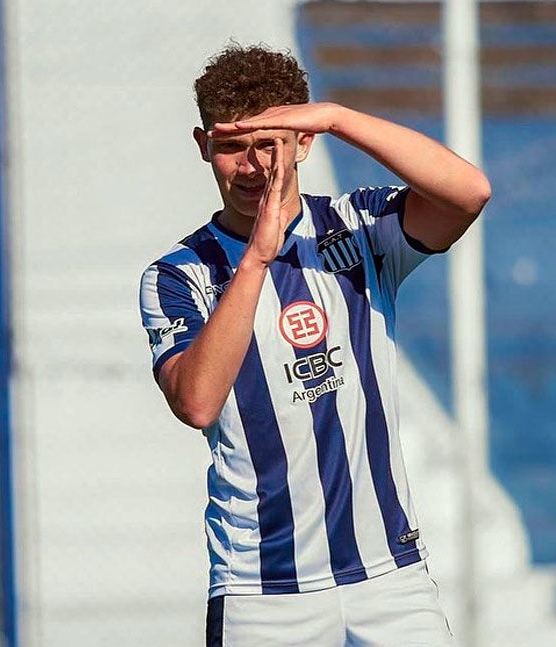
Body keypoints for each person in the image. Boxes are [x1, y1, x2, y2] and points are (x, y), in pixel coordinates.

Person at [139, 44, 490, 647]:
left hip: (390, 579)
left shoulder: (360, 226)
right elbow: (196, 402)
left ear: (303, 141)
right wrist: (257, 260)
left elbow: (469, 192)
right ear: (203, 146)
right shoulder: (177, 275)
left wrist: (336, 118)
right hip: (261, 588)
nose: (250, 167)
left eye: (269, 143)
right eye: (230, 146)